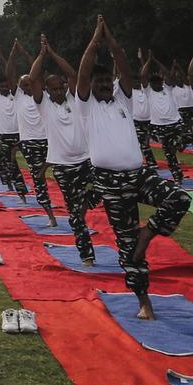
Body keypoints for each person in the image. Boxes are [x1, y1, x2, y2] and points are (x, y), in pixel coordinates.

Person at [75, 16, 189, 320]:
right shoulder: (86, 107)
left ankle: (148, 234)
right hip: (110, 183)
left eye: (105, 82)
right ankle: (144, 302)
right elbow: (85, 70)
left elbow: (123, 64)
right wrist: (94, 41)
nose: (102, 85)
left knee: (179, 198)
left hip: (139, 176)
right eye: (98, 83)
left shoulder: (122, 101)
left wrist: (110, 38)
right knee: (127, 247)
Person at [28, 35, 96, 262]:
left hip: (87, 161)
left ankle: (84, 204)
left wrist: (53, 52)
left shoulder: (74, 99)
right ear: (47, 91)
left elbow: (73, 74)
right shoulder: (43, 105)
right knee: (75, 216)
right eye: (54, 89)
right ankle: (87, 256)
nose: (58, 92)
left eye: (61, 88)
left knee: (103, 191)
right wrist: (41, 54)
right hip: (64, 168)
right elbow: (33, 77)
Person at [7, 40, 56, 223]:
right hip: (30, 143)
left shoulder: (41, 96)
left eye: (30, 84)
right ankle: (51, 215)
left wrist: (29, 54)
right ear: (19, 87)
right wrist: (13, 53)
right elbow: (9, 73)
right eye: (25, 85)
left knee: (61, 174)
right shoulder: (18, 96)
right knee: (39, 178)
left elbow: (35, 73)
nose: (28, 87)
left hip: (49, 140)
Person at [0, 47, 29, 201]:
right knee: (11, 165)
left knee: (31, 162)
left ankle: (34, 189)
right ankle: (20, 192)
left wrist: (5, 58)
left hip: (20, 134)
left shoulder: (15, 94)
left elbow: (11, 74)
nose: (4, 88)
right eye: (1, 86)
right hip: (3, 136)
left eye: (6, 86)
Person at [140, 53, 185, 184]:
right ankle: (178, 177)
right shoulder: (148, 91)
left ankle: (178, 146)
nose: (157, 84)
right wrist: (148, 61)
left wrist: (156, 60)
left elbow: (169, 76)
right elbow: (143, 76)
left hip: (176, 123)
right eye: (154, 82)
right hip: (160, 127)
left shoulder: (168, 88)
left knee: (186, 138)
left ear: (161, 81)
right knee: (169, 154)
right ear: (151, 84)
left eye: (159, 81)